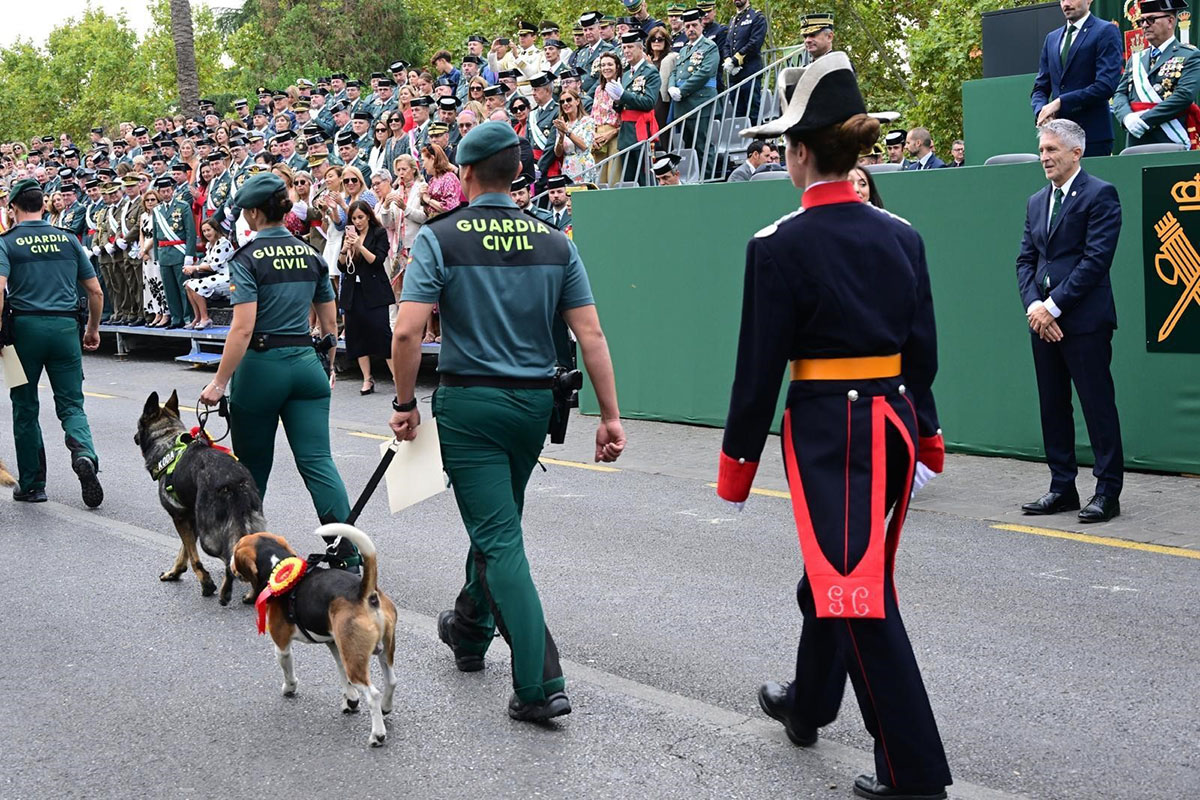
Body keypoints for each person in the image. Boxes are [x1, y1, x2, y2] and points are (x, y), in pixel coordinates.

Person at [718, 53, 952, 799]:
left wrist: (737, 465)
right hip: (890, 421)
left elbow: (759, 370)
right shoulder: (902, 234)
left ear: (799, 152)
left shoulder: (778, 243)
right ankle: (811, 702)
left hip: (831, 433)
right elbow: (924, 353)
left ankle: (913, 772)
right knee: (835, 582)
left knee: (858, 595)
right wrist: (928, 429)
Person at [387, 122, 626, 722]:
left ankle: (540, 683)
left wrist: (405, 402)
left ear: (464, 175)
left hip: (471, 407)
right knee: (497, 521)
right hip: (533, 408)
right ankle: (468, 631)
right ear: (517, 173)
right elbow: (590, 334)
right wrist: (611, 415)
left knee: (499, 537)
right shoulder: (554, 241)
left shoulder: (442, 238)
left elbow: (407, 330)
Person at [198, 173, 357, 565]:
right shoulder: (310, 254)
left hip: (262, 365)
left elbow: (243, 327)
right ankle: (348, 553)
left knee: (251, 470)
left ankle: (249, 553)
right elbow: (330, 322)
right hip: (307, 363)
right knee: (318, 462)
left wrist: (219, 383)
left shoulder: (247, 257)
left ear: (253, 212)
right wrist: (329, 366)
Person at [1015, 119, 1123, 523]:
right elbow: (1026, 260)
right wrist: (1035, 308)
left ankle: (1107, 492)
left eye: (1051, 150)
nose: (1044, 157)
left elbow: (1096, 261)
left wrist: (1053, 307)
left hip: (1085, 322)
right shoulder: (1035, 200)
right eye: (1042, 150)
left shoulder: (1101, 195)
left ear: (1076, 152)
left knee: (1097, 407)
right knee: (1053, 407)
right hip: (1042, 321)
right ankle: (1062, 488)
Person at [0, 179, 105, 507]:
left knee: (25, 406)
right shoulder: (68, 239)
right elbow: (96, 291)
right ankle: (85, 455)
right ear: (44, 205)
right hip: (65, 330)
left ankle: (32, 484)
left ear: (13, 208)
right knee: (72, 403)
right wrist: (92, 329)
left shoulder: (7, 242)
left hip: (21, 334)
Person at [1030, 0, 1123, 158]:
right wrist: (1042, 112)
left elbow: (1105, 86)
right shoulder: (1051, 39)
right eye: (1062, 0)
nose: (1066, 3)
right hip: (1056, 138)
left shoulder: (1105, 31)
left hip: (1092, 137)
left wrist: (1060, 102)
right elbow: (1040, 88)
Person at [1111, 0, 1200, 150]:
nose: (1145, 25)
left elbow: (1184, 96)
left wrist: (1144, 120)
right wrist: (1127, 118)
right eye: (1142, 21)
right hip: (1136, 137)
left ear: (1170, 21)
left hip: (1171, 136)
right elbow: (1120, 93)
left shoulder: (1190, 55)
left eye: (1151, 19)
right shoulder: (1136, 59)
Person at [339, 199, 395, 395]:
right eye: (354, 218)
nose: (358, 222)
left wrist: (360, 246)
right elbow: (342, 266)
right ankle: (367, 378)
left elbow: (377, 260)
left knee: (382, 332)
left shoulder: (378, 233)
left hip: (374, 290)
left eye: (361, 217)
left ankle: (397, 376)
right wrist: (346, 248)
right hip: (353, 292)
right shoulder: (348, 235)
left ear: (369, 216)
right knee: (356, 333)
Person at [668, 9, 720, 173]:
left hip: (700, 101)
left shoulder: (709, 47)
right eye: (687, 26)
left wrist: (682, 90)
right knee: (688, 146)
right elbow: (675, 72)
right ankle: (695, 176)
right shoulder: (684, 50)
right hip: (683, 105)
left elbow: (704, 73)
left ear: (701, 26)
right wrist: (671, 86)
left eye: (694, 25)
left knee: (702, 144)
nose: (690, 29)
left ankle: (708, 178)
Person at [613, 31, 662, 184]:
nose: (626, 51)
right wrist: (616, 101)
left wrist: (623, 95)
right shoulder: (626, 74)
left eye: (630, 47)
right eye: (624, 47)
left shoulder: (650, 71)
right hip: (626, 132)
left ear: (640, 48)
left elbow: (648, 102)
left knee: (645, 177)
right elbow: (622, 105)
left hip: (641, 131)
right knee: (629, 179)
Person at [150, 174, 197, 328]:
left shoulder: (182, 206)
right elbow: (156, 234)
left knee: (183, 288)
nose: (166, 193)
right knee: (169, 290)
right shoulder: (156, 210)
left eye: (168, 190)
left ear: (173, 190)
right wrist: (157, 256)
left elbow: (191, 232)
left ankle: (188, 317)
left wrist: (189, 255)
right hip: (164, 253)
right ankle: (176, 318)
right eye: (163, 191)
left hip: (179, 251)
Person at [183, 218, 234, 330]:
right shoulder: (210, 245)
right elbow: (205, 263)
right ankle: (198, 317)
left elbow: (213, 266)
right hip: (218, 276)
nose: (206, 233)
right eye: (204, 231)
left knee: (196, 285)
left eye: (208, 230)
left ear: (216, 229)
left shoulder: (223, 243)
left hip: (229, 277)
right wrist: (192, 267)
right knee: (188, 284)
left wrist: (194, 267)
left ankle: (205, 318)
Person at [725, 0, 767, 119]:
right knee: (738, 116)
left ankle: (757, 138)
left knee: (752, 113)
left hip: (750, 73)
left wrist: (735, 60)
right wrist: (728, 59)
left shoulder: (757, 17)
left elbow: (755, 43)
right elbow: (727, 44)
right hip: (734, 77)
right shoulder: (733, 20)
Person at [592, 53, 624, 185]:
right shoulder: (599, 89)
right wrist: (593, 135)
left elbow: (625, 116)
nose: (606, 68)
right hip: (598, 136)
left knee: (613, 174)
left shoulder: (622, 87)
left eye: (609, 64)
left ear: (617, 67)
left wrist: (612, 133)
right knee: (599, 177)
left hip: (614, 134)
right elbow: (593, 114)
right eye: (603, 65)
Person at [138, 188, 168, 327]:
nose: (150, 202)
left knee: (159, 282)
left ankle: (165, 313)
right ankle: (157, 313)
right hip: (146, 254)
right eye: (147, 200)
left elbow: (155, 235)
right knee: (151, 284)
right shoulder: (143, 216)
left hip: (156, 251)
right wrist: (142, 250)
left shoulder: (160, 214)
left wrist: (144, 250)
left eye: (153, 200)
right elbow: (142, 234)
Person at [553, 88, 597, 184]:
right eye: (562, 102)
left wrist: (567, 132)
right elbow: (558, 153)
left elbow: (585, 146)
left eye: (569, 100)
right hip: (568, 167)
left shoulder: (587, 121)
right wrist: (561, 136)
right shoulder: (563, 123)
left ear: (577, 101)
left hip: (584, 165)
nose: (565, 103)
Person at [420, 143, 462, 217]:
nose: (423, 166)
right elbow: (428, 212)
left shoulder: (449, 178)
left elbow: (450, 207)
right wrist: (423, 197)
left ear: (432, 158)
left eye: (423, 161)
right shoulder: (432, 180)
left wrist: (428, 200)